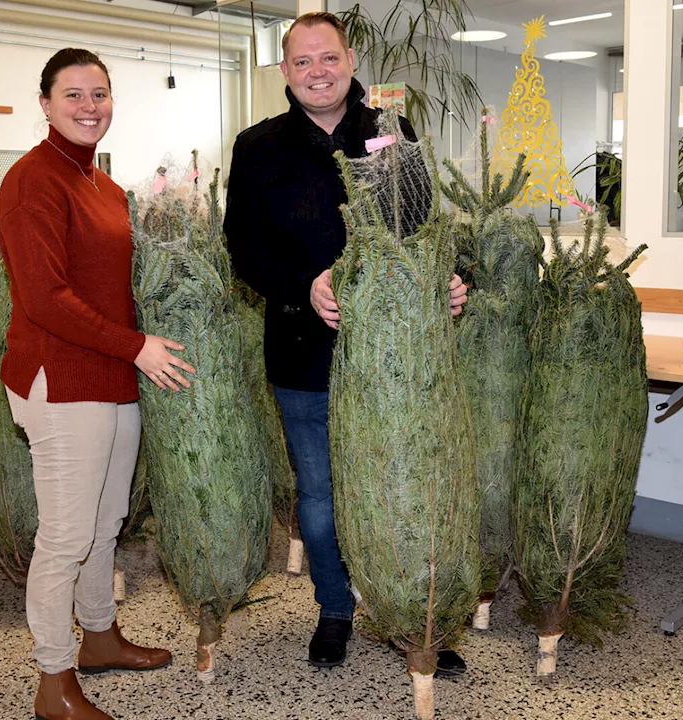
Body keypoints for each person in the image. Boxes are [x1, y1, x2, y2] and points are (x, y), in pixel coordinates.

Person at [224, 13, 469, 675]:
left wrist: (448, 277)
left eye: (328, 58)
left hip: (398, 355)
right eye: (303, 62)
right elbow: (243, 250)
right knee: (321, 498)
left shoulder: (392, 133)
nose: (318, 72)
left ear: (351, 58)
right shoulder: (258, 148)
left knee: (405, 482)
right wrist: (303, 286)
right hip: (305, 350)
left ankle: (411, 613)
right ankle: (334, 607)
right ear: (285, 72)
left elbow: (424, 228)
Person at [0, 48, 195, 720]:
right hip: (61, 380)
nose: (90, 107)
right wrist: (137, 345)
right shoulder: (33, 181)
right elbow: (46, 298)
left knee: (106, 524)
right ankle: (53, 679)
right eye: (74, 95)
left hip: (113, 376)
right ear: (46, 102)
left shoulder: (104, 187)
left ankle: (101, 637)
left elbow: (117, 287)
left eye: (100, 94)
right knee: (67, 536)